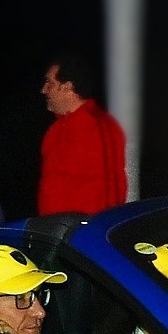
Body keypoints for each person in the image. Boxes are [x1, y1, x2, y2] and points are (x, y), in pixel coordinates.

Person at [34, 52, 126, 216]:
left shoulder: (98, 126)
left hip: (82, 232)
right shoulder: (55, 129)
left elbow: (112, 189)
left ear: (67, 87)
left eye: (49, 83)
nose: (43, 90)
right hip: (52, 230)